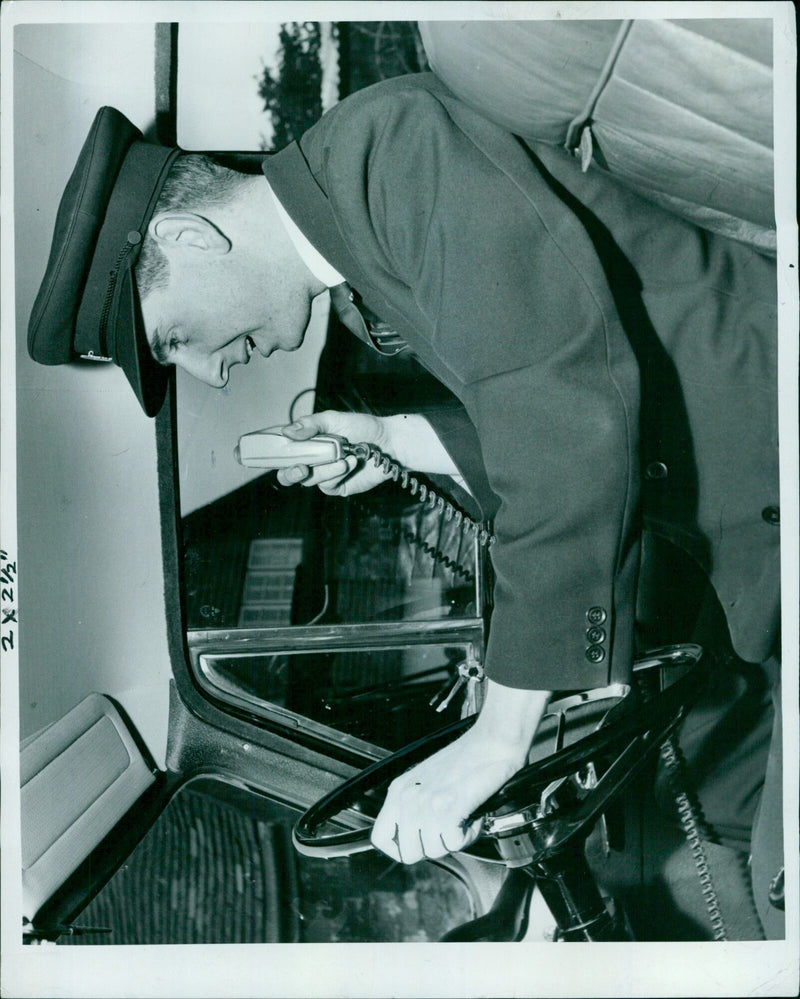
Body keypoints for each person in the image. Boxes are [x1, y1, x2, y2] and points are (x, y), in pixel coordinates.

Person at [28, 73, 782, 934]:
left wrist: (496, 742)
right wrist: (391, 440)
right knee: (714, 845)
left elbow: (568, 417)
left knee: (769, 876)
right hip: (758, 537)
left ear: (187, 235)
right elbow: (543, 405)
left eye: (171, 339)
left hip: (776, 441)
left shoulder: (396, 156)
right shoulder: (364, 238)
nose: (208, 370)